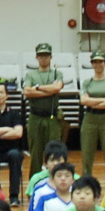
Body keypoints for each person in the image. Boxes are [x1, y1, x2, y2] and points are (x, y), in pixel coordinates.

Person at [21, 44, 67, 174]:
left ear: (51, 57)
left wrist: (37, 87)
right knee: (35, 152)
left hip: (52, 117)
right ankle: (35, 182)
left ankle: (55, 177)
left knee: (54, 152)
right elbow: (27, 92)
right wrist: (49, 90)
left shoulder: (57, 73)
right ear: (36, 57)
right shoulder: (31, 74)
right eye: (41, 55)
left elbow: (57, 88)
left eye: (46, 55)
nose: (43, 58)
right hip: (35, 117)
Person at [77, 53, 105, 184]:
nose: (98, 64)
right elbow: (84, 100)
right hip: (90, 119)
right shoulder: (87, 82)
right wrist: (103, 100)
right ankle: (86, 183)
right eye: (95, 62)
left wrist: (92, 101)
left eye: (100, 62)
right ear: (92, 64)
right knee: (87, 154)